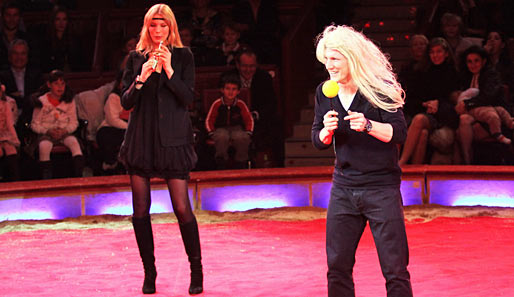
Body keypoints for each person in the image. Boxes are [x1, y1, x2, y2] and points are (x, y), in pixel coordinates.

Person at [312, 25, 412, 297]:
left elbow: (399, 133)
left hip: (381, 188)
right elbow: (316, 138)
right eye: (326, 59)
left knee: (395, 269)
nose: (329, 65)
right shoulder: (325, 91)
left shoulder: (380, 88)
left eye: (335, 59)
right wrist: (326, 131)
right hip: (343, 187)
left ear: (352, 58)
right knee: (337, 266)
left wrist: (369, 125)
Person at [118, 4, 203, 295]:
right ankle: (149, 272)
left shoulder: (184, 56)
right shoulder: (135, 58)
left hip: (174, 141)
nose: (158, 32)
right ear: (147, 28)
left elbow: (187, 98)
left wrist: (168, 70)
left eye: (163, 26)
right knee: (140, 209)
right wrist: (142, 76)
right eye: (153, 26)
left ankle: (196, 269)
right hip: (141, 140)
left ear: (171, 28)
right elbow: (126, 102)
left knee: (181, 208)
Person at [399, 37, 460, 165]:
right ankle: (414, 173)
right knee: (422, 132)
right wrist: (424, 104)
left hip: (445, 117)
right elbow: (412, 99)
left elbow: (453, 100)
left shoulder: (454, 73)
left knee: (419, 121)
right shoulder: (423, 72)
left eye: (439, 52)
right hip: (427, 113)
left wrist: (439, 102)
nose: (435, 55)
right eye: (432, 52)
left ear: (446, 53)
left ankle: (402, 162)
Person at [455, 45, 513, 164]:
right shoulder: (467, 76)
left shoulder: (491, 75)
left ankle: (467, 163)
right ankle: (466, 163)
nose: (473, 64)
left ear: (484, 61)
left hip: (494, 117)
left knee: (459, 133)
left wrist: (467, 104)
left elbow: (488, 97)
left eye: (476, 61)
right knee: (463, 120)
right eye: (469, 61)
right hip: (476, 115)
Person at [30, 69, 85, 179]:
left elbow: (74, 122)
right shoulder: (41, 101)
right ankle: (47, 178)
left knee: (74, 143)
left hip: (64, 132)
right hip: (47, 133)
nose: (60, 87)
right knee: (44, 146)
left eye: (62, 84)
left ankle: (79, 176)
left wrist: (65, 131)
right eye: (56, 84)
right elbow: (35, 124)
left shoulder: (69, 101)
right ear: (49, 85)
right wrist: (47, 131)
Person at [205, 73, 253, 169]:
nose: (230, 92)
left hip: (237, 128)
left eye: (234, 89)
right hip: (220, 128)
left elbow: (249, 119)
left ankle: (241, 162)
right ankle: (221, 162)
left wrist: (249, 131)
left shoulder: (241, 104)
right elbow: (209, 120)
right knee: (222, 137)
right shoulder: (217, 104)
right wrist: (211, 132)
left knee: (241, 137)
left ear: (238, 91)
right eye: (227, 89)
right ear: (222, 90)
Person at [0, 39, 43, 126]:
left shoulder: (36, 74)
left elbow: (38, 97)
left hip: (32, 117)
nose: (19, 57)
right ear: (9, 56)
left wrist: (15, 97)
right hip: (8, 118)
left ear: (27, 56)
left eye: (23, 53)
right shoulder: (2, 75)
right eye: (15, 53)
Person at [95, 72, 129, 174]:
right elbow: (112, 120)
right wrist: (131, 127)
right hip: (111, 128)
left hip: (130, 129)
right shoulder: (114, 97)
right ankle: (110, 166)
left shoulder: (138, 97)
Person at [39, 6, 86, 73]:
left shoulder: (75, 40)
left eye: (64, 19)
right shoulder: (46, 40)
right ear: (53, 21)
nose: (61, 23)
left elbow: (80, 63)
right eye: (58, 19)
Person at [0, 81, 20, 181]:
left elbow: (9, 124)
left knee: (11, 150)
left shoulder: (6, 104)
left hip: (4, 134)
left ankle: (15, 182)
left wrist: (15, 140)